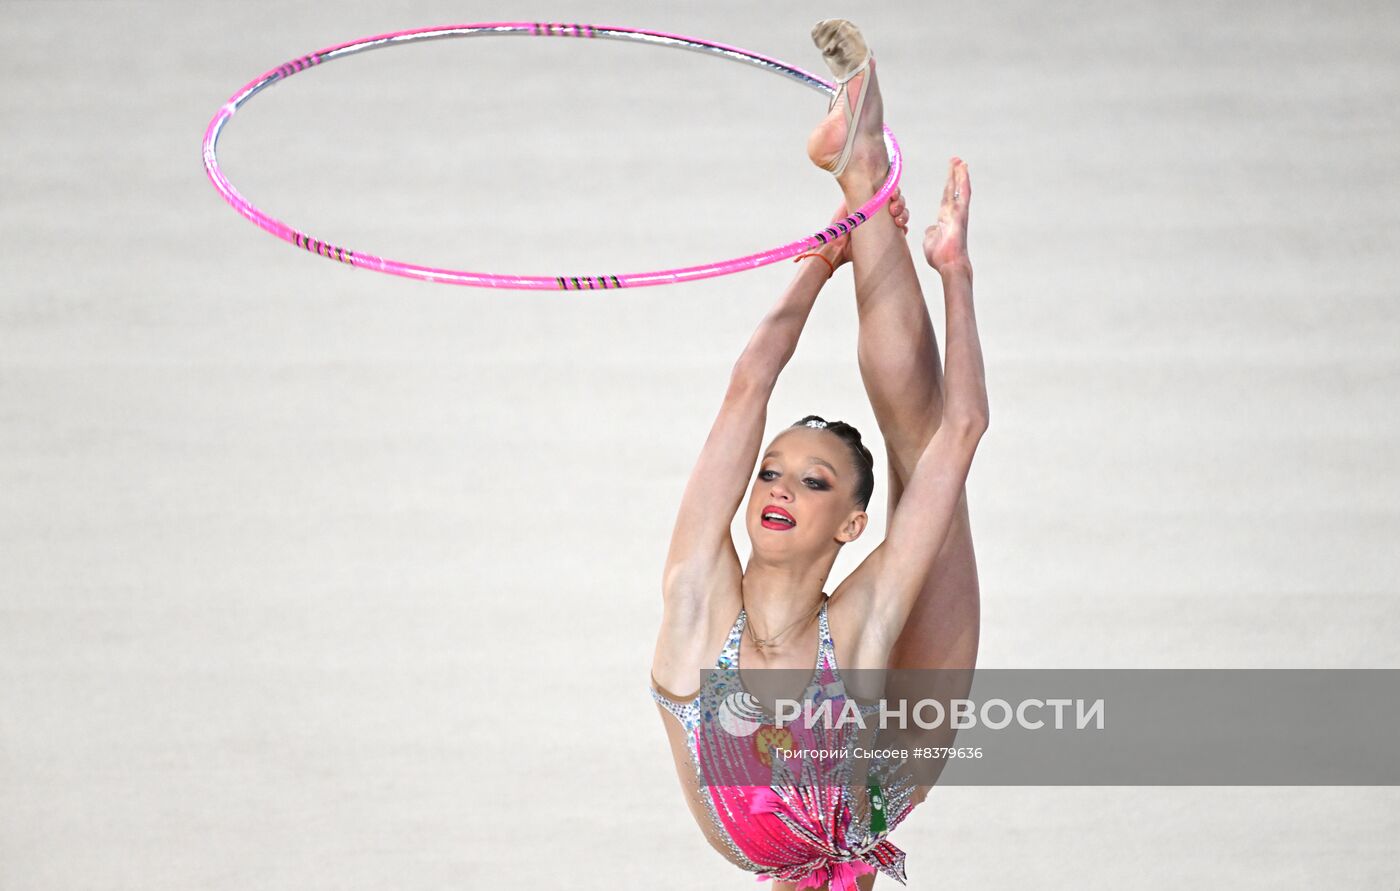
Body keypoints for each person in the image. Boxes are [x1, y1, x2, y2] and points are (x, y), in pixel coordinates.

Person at [649, 20, 986, 891]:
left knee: (924, 443)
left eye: (813, 481)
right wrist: (929, 270)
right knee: (921, 435)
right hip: (901, 760)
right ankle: (863, 173)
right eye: (771, 471)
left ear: (851, 525)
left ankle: (864, 166)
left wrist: (861, 262)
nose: (780, 487)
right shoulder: (702, 604)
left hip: (862, 718)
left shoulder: (838, 622)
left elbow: (963, 432)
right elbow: (749, 390)